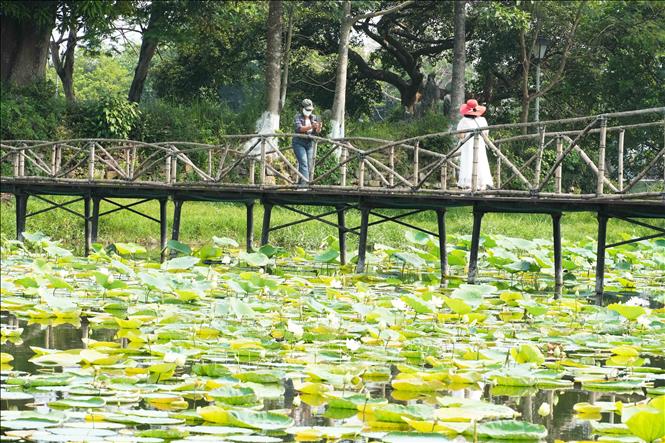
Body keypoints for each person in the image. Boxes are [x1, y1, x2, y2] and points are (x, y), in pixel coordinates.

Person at [456, 99, 493, 190]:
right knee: (481, 161)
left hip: (468, 145)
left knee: (468, 161)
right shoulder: (483, 120)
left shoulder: (464, 121)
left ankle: (469, 183)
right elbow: (486, 134)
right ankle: (483, 184)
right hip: (480, 144)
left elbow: (460, 136)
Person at [293, 98, 322, 187]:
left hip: (309, 143)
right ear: (303, 108)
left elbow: (317, 132)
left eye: (310, 109)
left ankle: (304, 183)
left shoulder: (314, 117)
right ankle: (304, 185)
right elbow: (299, 129)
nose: (309, 111)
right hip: (298, 143)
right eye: (307, 109)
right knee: (303, 162)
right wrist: (311, 126)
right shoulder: (297, 117)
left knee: (309, 164)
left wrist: (318, 127)